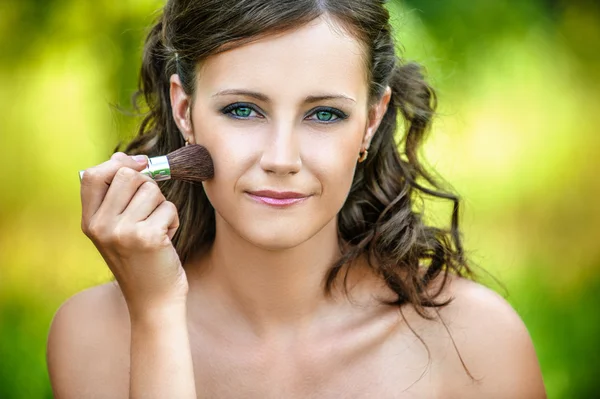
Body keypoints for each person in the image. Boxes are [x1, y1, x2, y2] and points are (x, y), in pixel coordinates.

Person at [46, 0, 546, 397]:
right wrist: (155, 316)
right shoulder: (92, 335)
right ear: (185, 110)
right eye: (243, 110)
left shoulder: (478, 343)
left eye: (324, 114)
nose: (281, 158)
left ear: (371, 120)